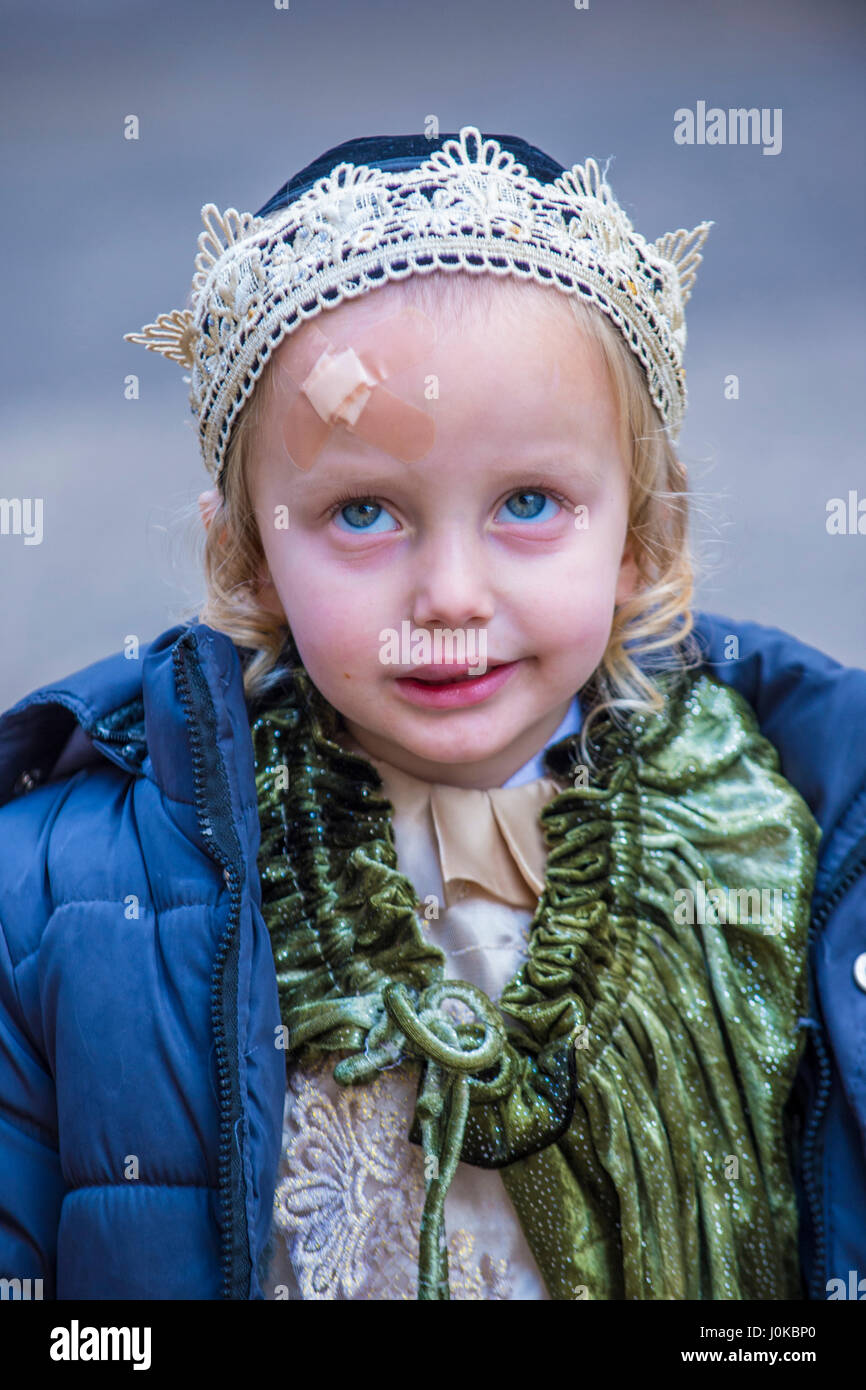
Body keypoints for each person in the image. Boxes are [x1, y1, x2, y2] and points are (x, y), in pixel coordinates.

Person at [0, 127, 864, 1301]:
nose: (449, 595)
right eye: (362, 513)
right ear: (253, 561)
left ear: (638, 538)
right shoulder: (67, 895)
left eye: (526, 501)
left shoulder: (790, 828)